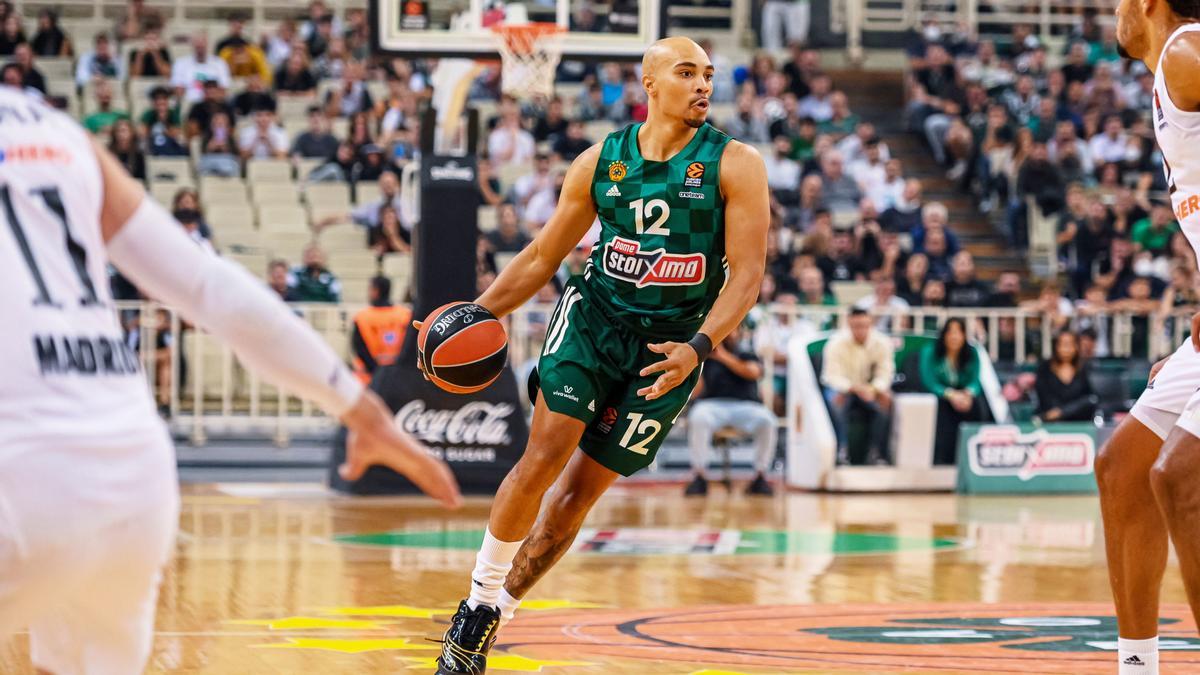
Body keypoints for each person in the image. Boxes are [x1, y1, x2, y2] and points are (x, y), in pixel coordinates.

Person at [0, 84, 460, 675]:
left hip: (19, 462)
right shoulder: (56, 130)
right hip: (130, 472)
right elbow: (209, 289)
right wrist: (361, 410)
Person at [431, 37, 769, 674]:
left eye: (709, 75)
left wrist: (700, 349)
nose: (702, 85)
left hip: (670, 347)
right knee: (547, 450)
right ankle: (475, 603)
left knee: (572, 504)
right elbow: (540, 257)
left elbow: (746, 277)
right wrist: (476, 315)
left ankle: (492, 616)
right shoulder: (599, 162)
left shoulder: (735, 164)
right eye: (686, 72)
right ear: (650, 83)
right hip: (594, 319)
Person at [1100, 6, 1200, 672]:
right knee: (1124, 467)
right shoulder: (1173, 75)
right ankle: (1137, 663)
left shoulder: (1187, 51)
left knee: (1181, 476)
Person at [684, 323, 776, 496]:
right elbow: (695, 391)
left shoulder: (746, 353)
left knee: (768, 420)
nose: (730, 333)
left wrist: (723, 357)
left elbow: (753, 372)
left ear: (740, 332)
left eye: (734, 329)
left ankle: (760, 475)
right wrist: (696, 366)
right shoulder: (705, 356)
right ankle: (700, 475)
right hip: (712, 406)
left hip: (746, 406)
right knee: (698, 417)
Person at [821, 307, 896, 465]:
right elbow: (831, 376)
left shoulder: (882, 342)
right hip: (844, 389)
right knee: (835, 400)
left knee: (885, 402)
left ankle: (877, 453)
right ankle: (841, 451)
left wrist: (875, 389)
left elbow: (885, 373)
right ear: (849, 324)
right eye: (856, 326)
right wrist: (852, 388)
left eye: (864, 325)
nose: (861, 330)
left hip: (869, 390)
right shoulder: (835, 343)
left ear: (871, 324)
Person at [919, 317, 983, 465]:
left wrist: (968, 393)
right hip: (941, 394)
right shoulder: (930, 351)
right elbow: (929, 381)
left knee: (978, 406)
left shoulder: (972, 353)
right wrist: (950, 394)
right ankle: (942, 460)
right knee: (942, 410)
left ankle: (973, 457)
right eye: (950, 332)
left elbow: (976, 381)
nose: (954, 337)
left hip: (964, 395)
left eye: (958, 332)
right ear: (944, 335)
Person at [350, 276, 411, 385]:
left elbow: (359, 348)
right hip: (398, 377)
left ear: (375, 291)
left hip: (369, 380)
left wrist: (377, 372)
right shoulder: (405, 314)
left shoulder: (361, 317)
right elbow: (410, 345)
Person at [1033, 331, 1097, 423]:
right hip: (1049, 421)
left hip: (1079, 421)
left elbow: (1089, 399)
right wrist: (1053, 414)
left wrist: (1062, 412)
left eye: (1070, 344)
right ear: (1056, 346)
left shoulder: (1085, 368)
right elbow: (1043, 397)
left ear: (1077, 346)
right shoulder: (1044, 368)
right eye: (1063, 344)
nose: (1066, 349)